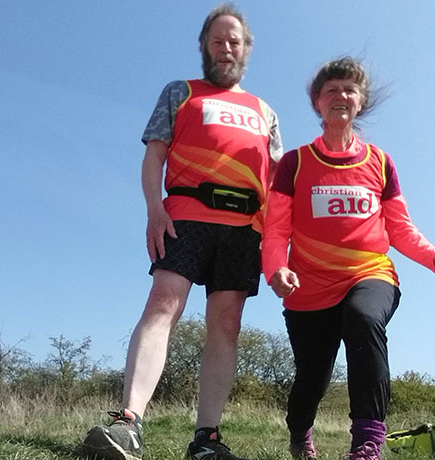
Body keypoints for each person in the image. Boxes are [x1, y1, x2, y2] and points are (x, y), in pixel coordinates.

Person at [82, 4, 283, 460]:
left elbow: (276, 180)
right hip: (186, 214)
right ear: (204, 47)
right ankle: (128, 423)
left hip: (244, 227)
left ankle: (206, 439)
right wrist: (155, 209)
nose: (226, 46)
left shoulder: (265, 112)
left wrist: (275, 241)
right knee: (163, 304)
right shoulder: (180, 92)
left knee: (226, 325)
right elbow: (154, 155)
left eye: (235, 40)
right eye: (218, 39)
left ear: (246, 50)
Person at [262, 57, 435, 460]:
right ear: (317, 103)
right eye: (331, 90)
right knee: (312, 378)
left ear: (361, 102)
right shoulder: (295, 163)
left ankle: (367, 443)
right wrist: (276, 268)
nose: (341, 95)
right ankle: (299, 434)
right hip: (309, 286)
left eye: (349, 90)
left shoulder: (380, 162)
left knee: (364, 318)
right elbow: (276, 229)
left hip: (369, 273)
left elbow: (400, 229)